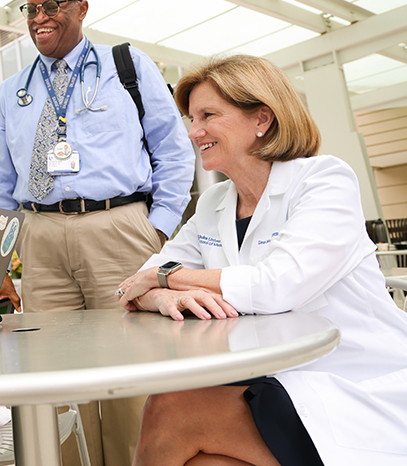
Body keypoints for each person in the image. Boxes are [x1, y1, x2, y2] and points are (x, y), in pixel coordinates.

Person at [117, 54, 407, 466]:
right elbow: (137, 282)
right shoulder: (216, 201)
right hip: (269, 383)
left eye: (207, 116)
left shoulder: (323, 180)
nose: (194, 131)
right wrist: (162, 292)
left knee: (172, 408)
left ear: (262, 119)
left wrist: (167, 279)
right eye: (191, 119)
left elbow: (276, 285)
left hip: (353, 387)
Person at [0, 0, 194, 466]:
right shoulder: (11, 93)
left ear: (81, 8)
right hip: (39, 236)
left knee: (131, 368)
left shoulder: (127, 66)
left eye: (52, 6)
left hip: (118, 227)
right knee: (53, 375)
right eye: (31, 9)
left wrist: (157, 226)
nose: (40, 18)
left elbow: (173, 150)